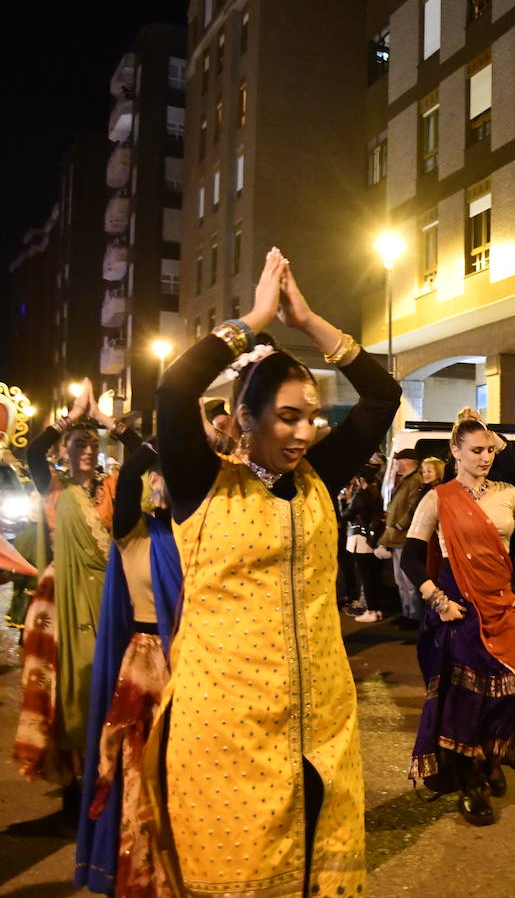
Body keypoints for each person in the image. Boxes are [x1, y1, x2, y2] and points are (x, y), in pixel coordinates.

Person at [147, 248, 401, 896]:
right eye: (288, 417)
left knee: (319, 867)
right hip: (225, 729)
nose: (304, 433)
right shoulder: (202, 485)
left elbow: (382, 395)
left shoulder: (318, 478)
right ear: (244, 419)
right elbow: (174, 389)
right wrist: (254, 321)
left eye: (311, 417)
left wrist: (308, 321)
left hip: (322, 725)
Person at [401, 408, 515, 826]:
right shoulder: (438, 497)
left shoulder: (509, 494)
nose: (485, 458)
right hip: (459, 610)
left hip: (502, 605)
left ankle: (491, 757)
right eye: (476, 450)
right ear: (456, 451)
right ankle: (471, 782)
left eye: (489, 450)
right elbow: (411, 557)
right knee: (466, 699)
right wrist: (436, 600)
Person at [19, 378, 143, 788]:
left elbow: (146, 453)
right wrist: (71, 416)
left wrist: (106, 419)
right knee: (68, 681)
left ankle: (103, 769)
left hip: (107, 594)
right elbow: (32, 452)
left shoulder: (112, 488)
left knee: (105, 679)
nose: (88, 450)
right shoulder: (55, 488)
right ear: (64, 452)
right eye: (78, 444)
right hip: (63, 597)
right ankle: (74, 779)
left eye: (92, 444)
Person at [75, 440, 181, 897]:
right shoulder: (135, 532)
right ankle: (140, 875)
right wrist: (169, 432)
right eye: (169, 474)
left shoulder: (206, 536)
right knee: (139, 773)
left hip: (196, 664)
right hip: (146, 664)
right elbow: (131, 471)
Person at [380, 448, 426, 630]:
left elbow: (413, 506)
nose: (396, 464)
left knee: (408, 580)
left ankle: (414, 616)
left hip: (404, 536)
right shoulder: (407, 480)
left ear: (406, 461)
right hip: (397, 536)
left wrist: (400, 524)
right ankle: (406, 612)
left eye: (398, 460)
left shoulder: (414, 481)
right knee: (400, 580)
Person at [342, 473, 388, 624]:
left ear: (361, 479)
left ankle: (371, 610)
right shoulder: (377, 493)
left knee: (366, 577)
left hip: (361, 539)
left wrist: (344, 501)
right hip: (372, 538)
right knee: (374, 576)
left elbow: (346, 515)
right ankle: (377, 609)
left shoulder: (362, 495)